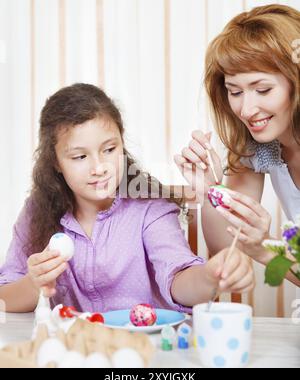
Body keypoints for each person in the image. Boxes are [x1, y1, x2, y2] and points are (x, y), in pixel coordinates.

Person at [0, 83, 254, 313]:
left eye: (109, 149)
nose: (99, 167)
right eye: (80, 157)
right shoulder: (37, 211)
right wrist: (34, 284)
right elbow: (5, 298)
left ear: (122, 143)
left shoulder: (149, 206)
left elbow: (179, 279)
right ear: (55, 161)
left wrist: (209, 277)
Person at [175, 4, 300, 287]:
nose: (246, 109)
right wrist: (211, 191)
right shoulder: (261, 147)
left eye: (263, 89)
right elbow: (226, 249)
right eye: (235, 91)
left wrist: (264, 247)